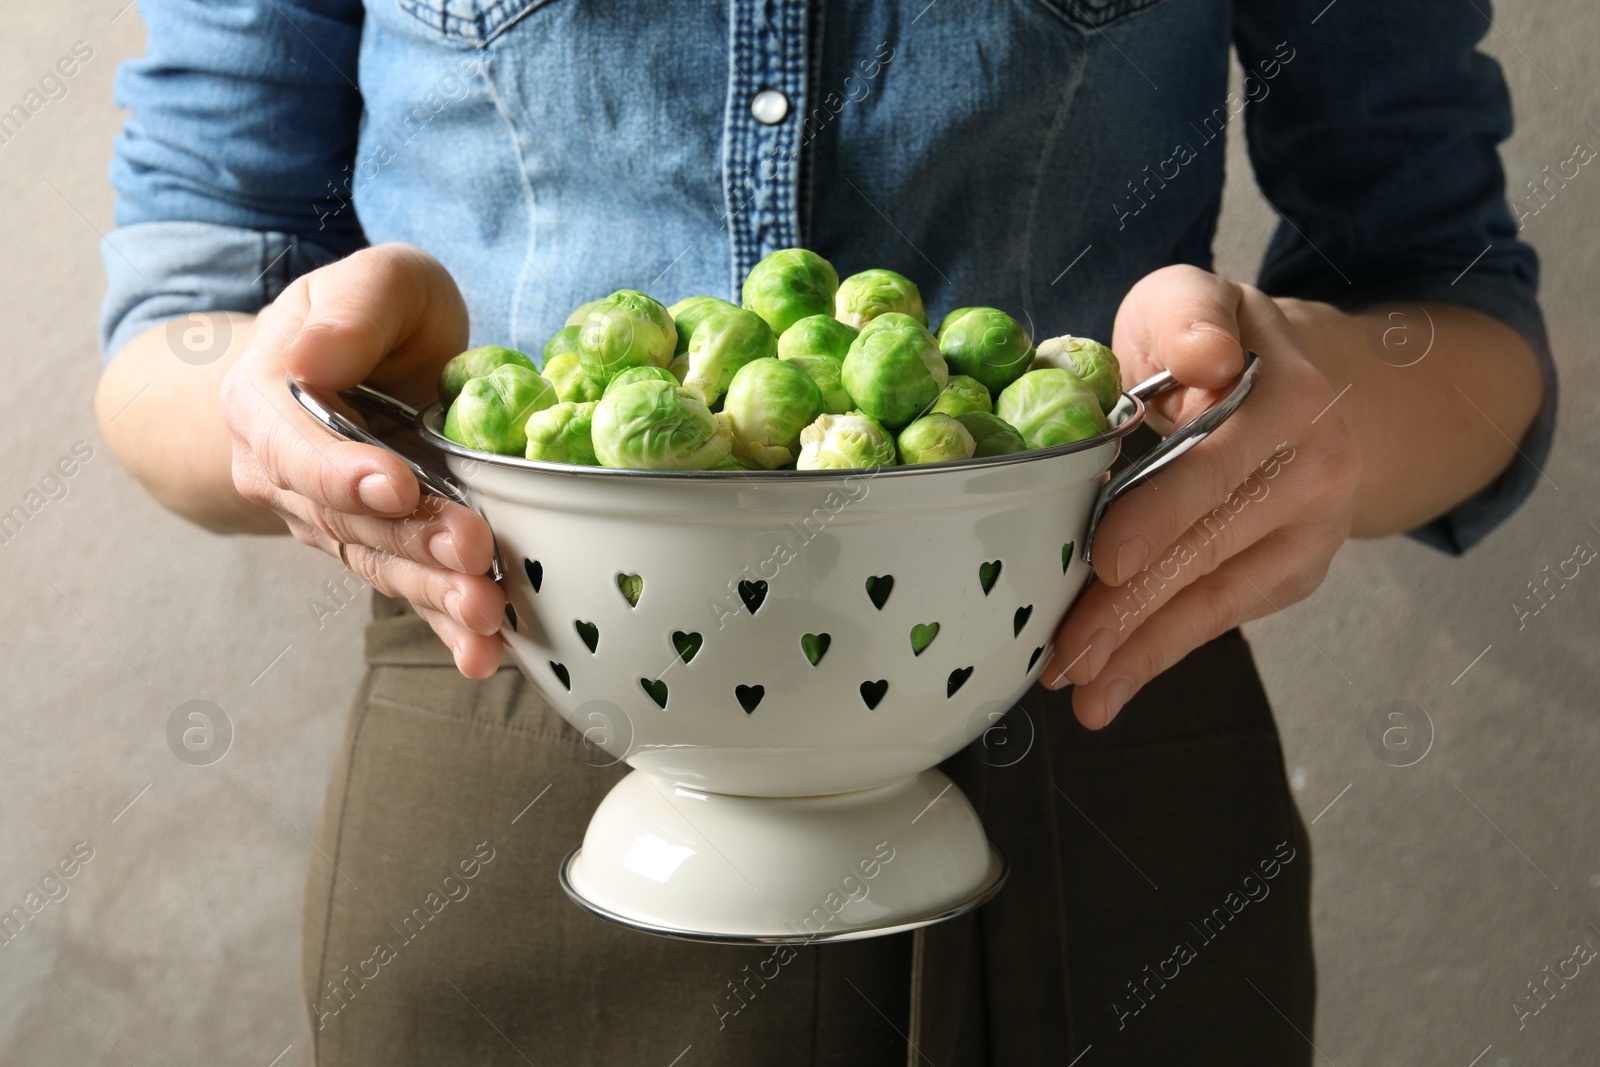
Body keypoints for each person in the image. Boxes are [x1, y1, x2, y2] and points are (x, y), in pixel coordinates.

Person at [94, 1, 1554, 1063]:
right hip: (509, 700)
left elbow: (1457, 311)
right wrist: (281, 402)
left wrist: (1313, 395)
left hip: (1090, 715)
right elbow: (177, 312)